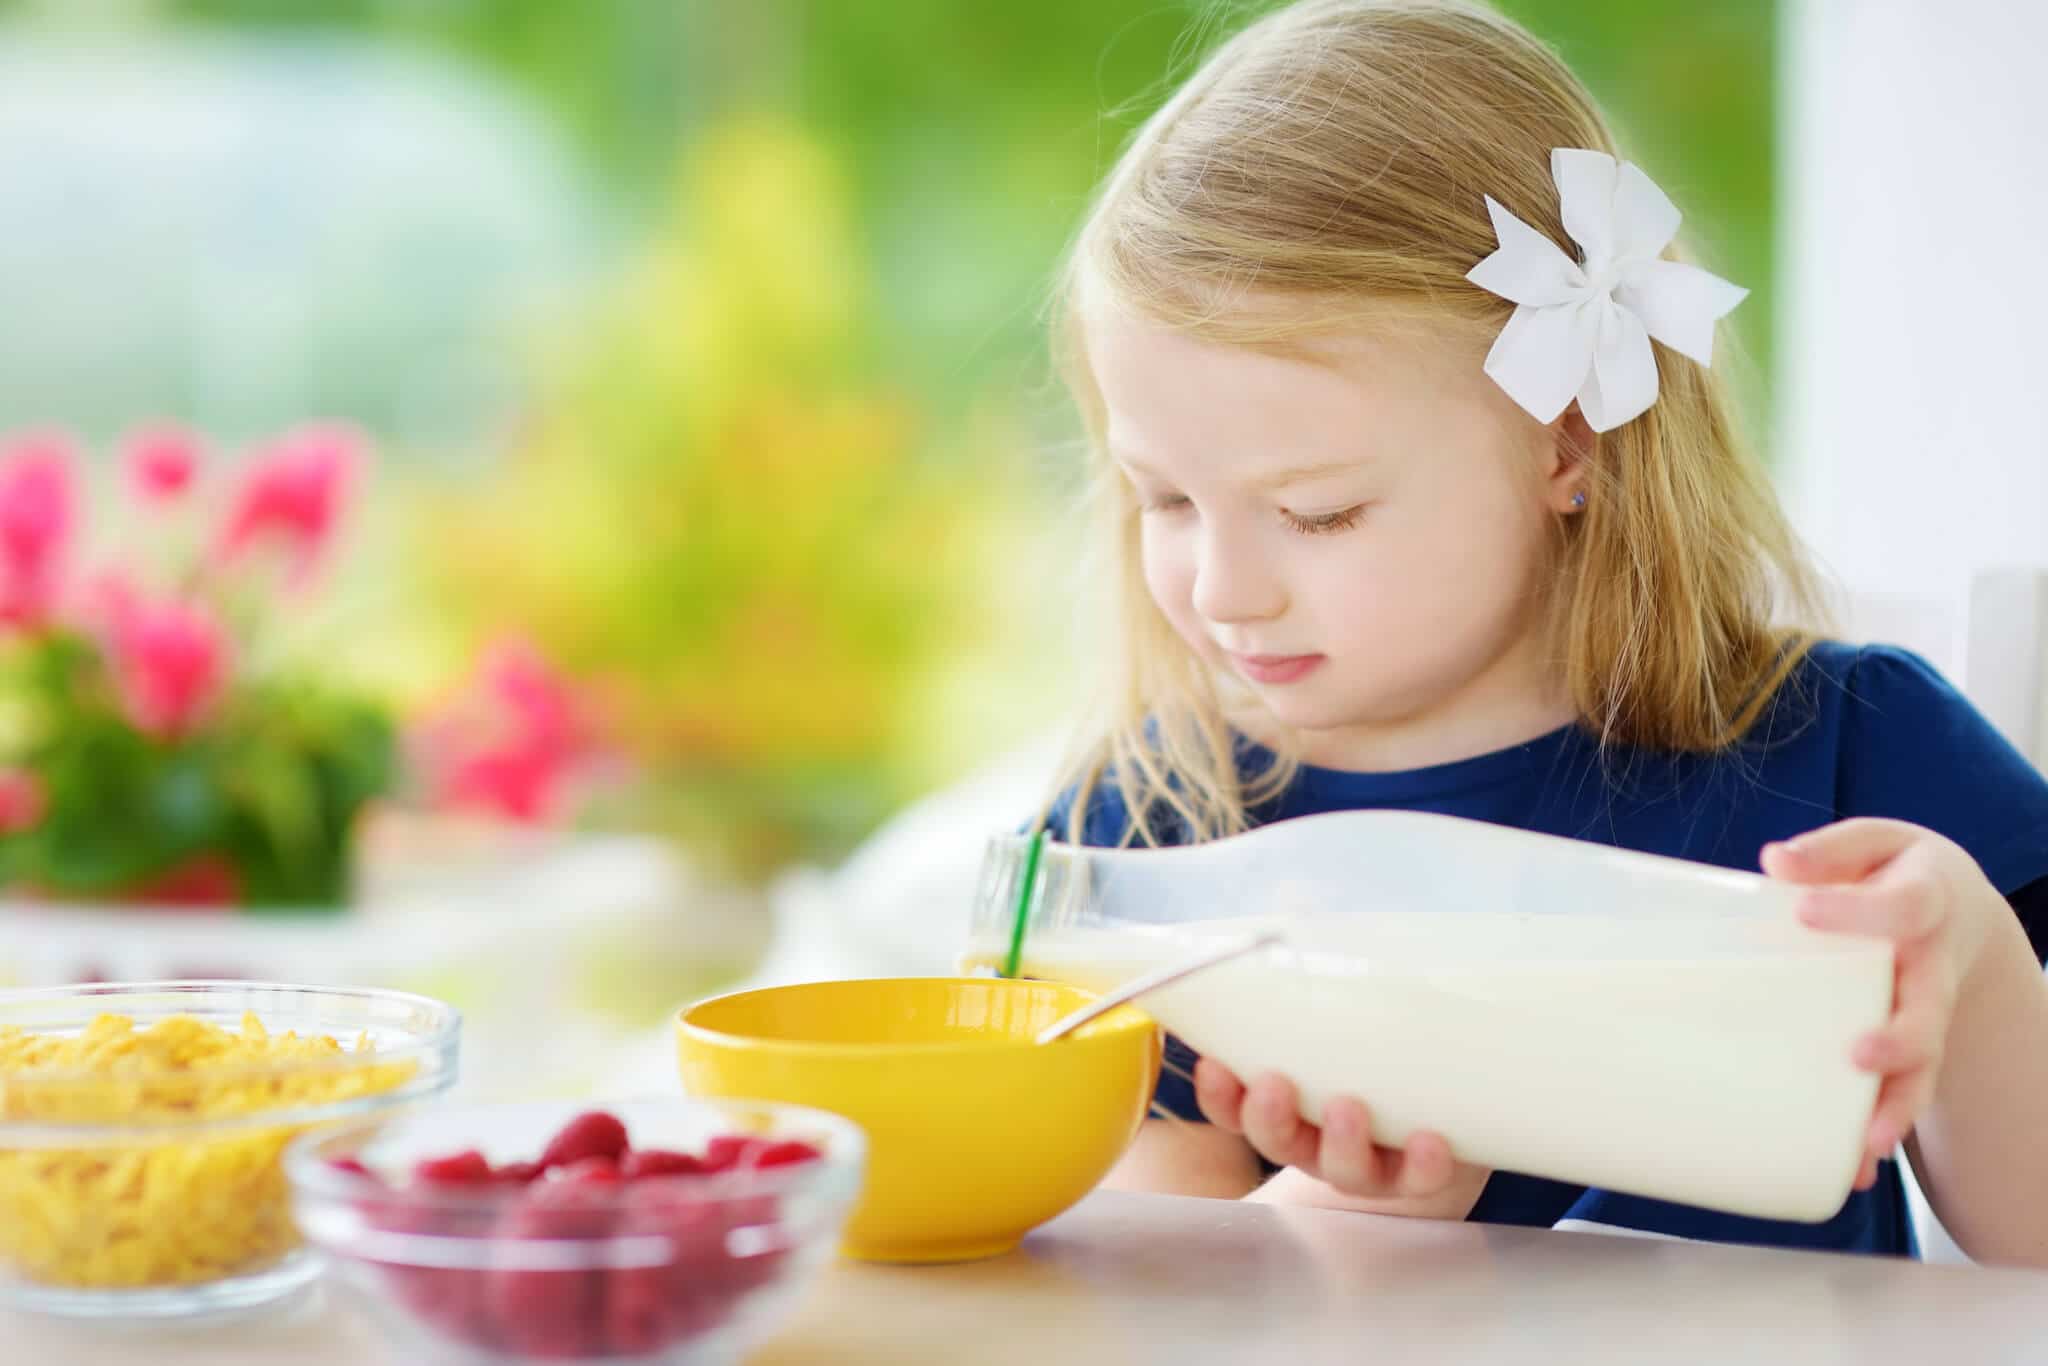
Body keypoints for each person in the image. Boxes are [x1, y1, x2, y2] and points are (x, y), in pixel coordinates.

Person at [1035, 0, 2048, 1263]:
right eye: (1166, 499)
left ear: (1563, 441)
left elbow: (2034, 1253)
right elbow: (1135, 1302)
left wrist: (1972, 959)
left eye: (1317, 511)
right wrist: (1345, 1222)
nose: (1224, 589)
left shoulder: (1849, 758)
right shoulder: (1152, 832)